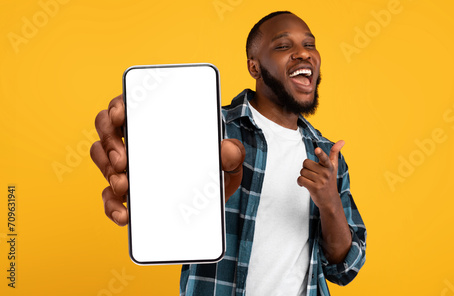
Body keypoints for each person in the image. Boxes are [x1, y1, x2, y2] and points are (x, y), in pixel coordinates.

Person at [90, 11, 366, 296]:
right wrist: (139, 129)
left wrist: (330, 201)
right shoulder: (209, 131)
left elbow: (344, 269)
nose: (303, 54)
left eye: (310, 45)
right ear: (254, 67)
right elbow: (162, 196)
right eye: (284, 46)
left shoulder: (327, 156)